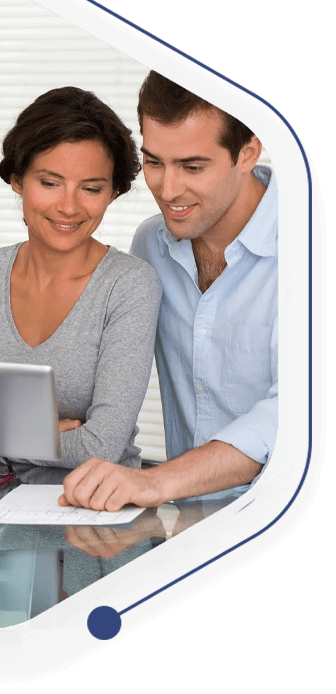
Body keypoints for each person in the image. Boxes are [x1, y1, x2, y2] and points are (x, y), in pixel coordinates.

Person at [59, 70, 278, 511]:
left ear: (247, 151)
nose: (168, 191)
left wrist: (156, 483)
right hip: (186, 522)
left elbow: (292, 414)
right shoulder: (150, 247)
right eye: (155, 163)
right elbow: (112, 355)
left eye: (193, 167)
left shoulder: (304, 248)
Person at [0, 87, 161, 469]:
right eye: (49, 183)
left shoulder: (129, 285)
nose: (68, 206)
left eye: (92, 189)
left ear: (113, 192)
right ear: (18, 179)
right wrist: (34, 437)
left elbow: (101, 446)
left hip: (95, 507)